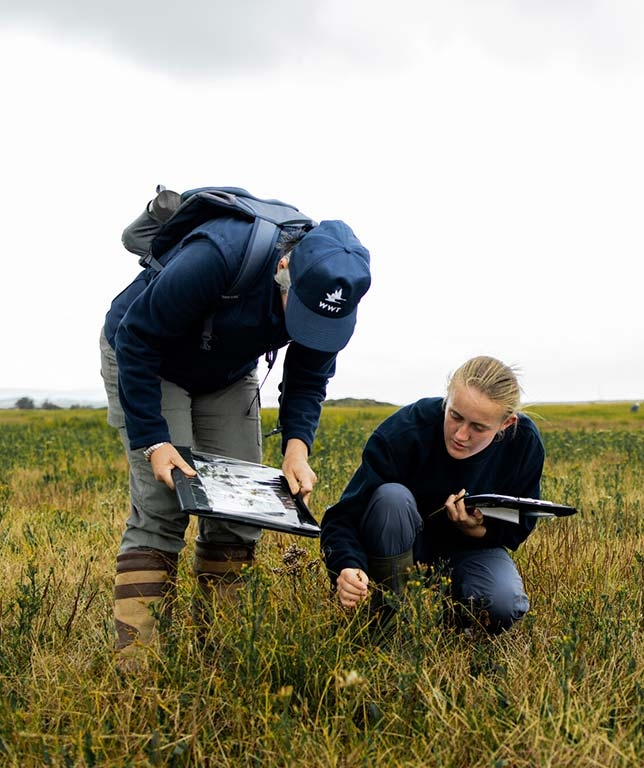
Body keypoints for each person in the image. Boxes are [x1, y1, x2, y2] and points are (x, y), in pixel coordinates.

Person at [100, 208, 371, 662]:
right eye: (299, 311)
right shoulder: (218, 256)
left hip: (226, 372)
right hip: (149, 358)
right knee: (164, 503)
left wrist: (297, 450)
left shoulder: (332, 296)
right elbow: (136, 339)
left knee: (241, 510)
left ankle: (222, 659)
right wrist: (155, 441)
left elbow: (308, 378)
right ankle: (138, 669)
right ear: (284, 269)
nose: (305, 327)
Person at [320, 356, 545, 635]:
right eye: (455, 416)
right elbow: (342, 517)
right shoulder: (406, 430)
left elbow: (519, 525)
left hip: (468, 551)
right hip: (397, 545)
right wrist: (346, 566)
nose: (461, 435)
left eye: (478, 427)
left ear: (506, 424)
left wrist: (476, 529)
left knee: (502, 604)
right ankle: (388, 614)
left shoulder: (523, 443)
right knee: (392, 497)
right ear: (447, 400)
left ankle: (449, 618)